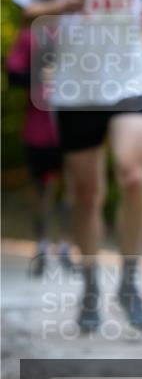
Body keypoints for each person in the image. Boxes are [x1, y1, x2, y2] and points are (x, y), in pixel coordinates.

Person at [12, 0, 142, 333]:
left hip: (131, 82)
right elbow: (25, 7)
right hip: (76, 88)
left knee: (134, 176)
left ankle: (131, 282)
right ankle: (93, 287)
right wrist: (61, 6)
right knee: (87, 195)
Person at [6, 27, 74, 276]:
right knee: (41, 189)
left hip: (73, 126)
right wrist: (42, 76)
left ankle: (66, 246)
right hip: (38, 129)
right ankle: (43, 245)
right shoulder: (29, 36)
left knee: (73, 189)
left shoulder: (81, 33)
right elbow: (13, 75)